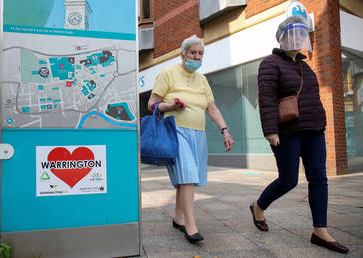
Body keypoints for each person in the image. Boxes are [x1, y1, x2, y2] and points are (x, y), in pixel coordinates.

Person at [250, 15, 349, 253]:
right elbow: (266, 100)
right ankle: (258, 207)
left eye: (301, 35)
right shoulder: (270, 64)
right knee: (289, 179)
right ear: (282, 38)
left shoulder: (305, 66)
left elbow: (313, 98)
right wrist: (271, 130)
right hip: (287, 132)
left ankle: (320, 230)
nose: (297, 39)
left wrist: (322, 123)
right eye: (292, 34)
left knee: (319, 178)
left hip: (314, 131)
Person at [147, 35, 234, 244]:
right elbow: (152, 104)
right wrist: (171, 106)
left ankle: (177, 218)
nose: (196, 57)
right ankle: (190, 225)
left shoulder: (202, 80)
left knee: (185, 179)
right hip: (176, 131)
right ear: (183, 54)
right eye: (193, 53)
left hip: (198, 135)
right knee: (187, 176)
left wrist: (225, 130)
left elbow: (212, 109)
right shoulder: (168, 73)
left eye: (200, 53)